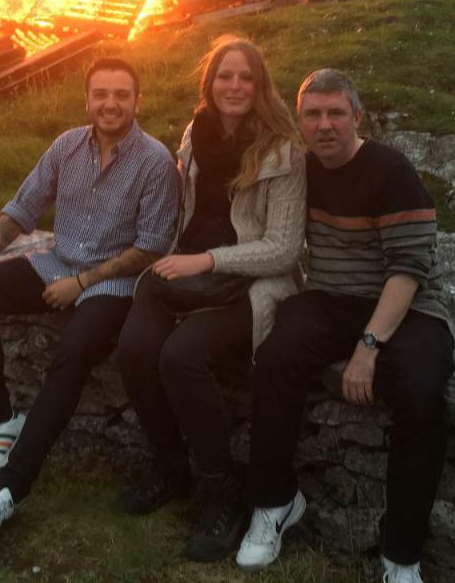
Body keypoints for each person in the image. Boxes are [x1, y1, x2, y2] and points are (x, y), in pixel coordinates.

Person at [0, 57, 180, 553]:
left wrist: (83, 282)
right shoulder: (66, 147)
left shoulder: (156, 162)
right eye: (101, 94)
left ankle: (9, 489)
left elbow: (153, 246)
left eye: (121, 94)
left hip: (114, 287)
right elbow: (21, 210)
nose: (110, 103)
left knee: (72, 353)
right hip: (56, 264)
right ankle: (1, 421)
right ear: (87, 99)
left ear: (138, 100)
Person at [236, 69, 454, 583]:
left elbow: (408, 271)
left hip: (407, 308)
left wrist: (369, 347)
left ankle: (401, 557)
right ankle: (274, 503)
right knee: (275, 358)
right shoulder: (299, 170)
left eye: (336, 113)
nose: (325, 125)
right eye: (313, 114)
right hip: (330, 300)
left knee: (423, 395)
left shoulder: (390, 170)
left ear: (357, 117)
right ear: (301, 122)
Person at [115, 37, 306, 562]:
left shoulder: (284, 151)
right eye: (226, 76)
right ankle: (169, 467)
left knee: (181, 357)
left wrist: (208, 261)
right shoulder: (195, 135)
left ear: (261, 85)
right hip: (182, 268)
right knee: (133, 350)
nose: (235, 86)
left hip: (246, 282)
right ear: (210, 83)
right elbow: (179, 211)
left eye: (246, 77)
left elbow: (284, 248)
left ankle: (221, 493)